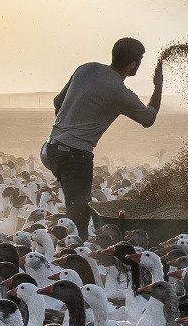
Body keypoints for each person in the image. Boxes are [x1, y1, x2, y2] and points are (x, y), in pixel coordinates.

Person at [42, 37, 163, 233]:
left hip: (51, 149)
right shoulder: (120, 92)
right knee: (79, 219)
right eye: (140, 59)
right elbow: (149, 118)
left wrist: (67, 129)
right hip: (75, 157)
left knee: (75, 209)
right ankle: (70, 255)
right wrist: (158, 86)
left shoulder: (86, 69)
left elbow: (58, 102)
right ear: (133, 64)